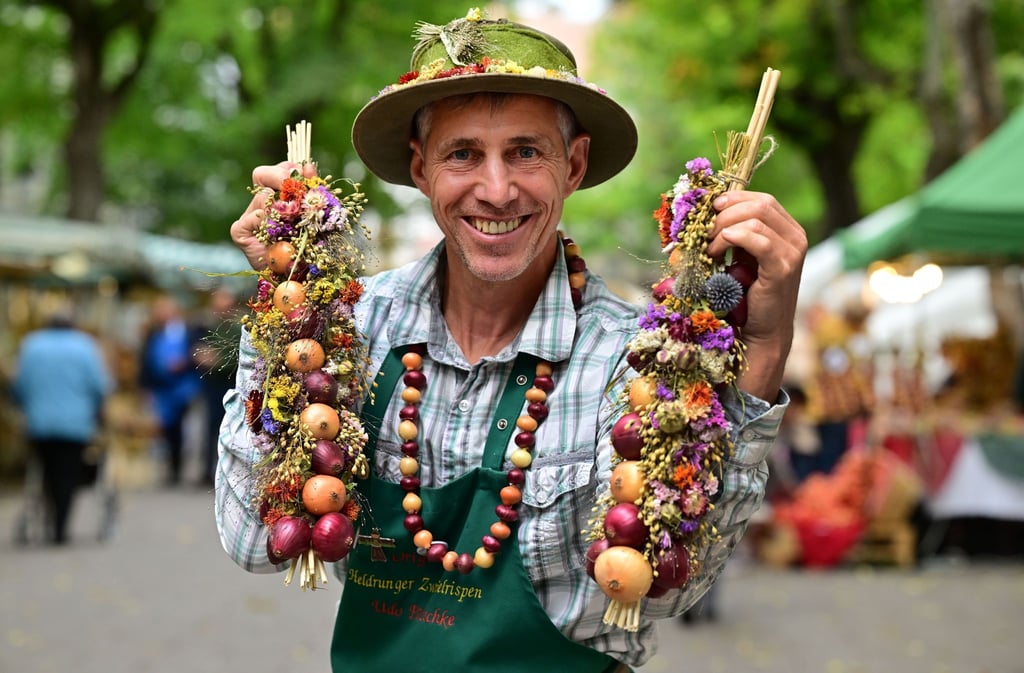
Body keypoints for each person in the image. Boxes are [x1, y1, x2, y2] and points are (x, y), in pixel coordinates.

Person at [216, 10, 806, 672]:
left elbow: (669, 591)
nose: (496, 191)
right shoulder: (351, 328)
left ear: (573, 164)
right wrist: (282, 307)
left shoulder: (634, 360)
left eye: (526, 152)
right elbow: (250, 540)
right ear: (421, 169)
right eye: (463, 153)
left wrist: (762, 354)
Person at [12, 304, 112, 544]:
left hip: (39, 424)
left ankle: (50, 517)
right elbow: (100, 386)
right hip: (75, 424)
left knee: (45, 470)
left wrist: (28, 406)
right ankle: (60, 526)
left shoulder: (31, 345)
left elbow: (19, 386)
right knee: (67, 474)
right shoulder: (84, 346)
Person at [140, 294, 202, 486]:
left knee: (179, 428)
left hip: (182, 388)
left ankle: (177, 466)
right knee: (166, 428)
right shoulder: (152, 333)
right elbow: (146, 362)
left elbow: (198, 355)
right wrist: (144, 386)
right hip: (161, 389)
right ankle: (170, 466)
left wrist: (183, 363)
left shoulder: (188, 331)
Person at [192, 287, 241, 487]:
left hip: (228, 385)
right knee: (210, 428)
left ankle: (226, 471)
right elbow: (198, 350)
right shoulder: (208, 326)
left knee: (228, 428)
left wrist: (216, 361)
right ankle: (207, 469)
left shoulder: (237, 329)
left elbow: (236, 358)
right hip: (211, 385)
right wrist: (201, 357)